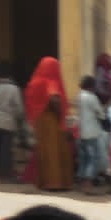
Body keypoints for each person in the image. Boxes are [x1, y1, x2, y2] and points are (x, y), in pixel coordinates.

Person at [23, 57, 73, 192]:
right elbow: (54, 98)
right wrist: (61, 114)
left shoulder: (34, 82)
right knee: (54, 152)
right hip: (52, 120)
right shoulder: (50, 81)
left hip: (40, 121)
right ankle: (55, 183)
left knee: (43, 151)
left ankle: (43, 182)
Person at [0, 62, 25, 182]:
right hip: (9, 123)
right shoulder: (13, 89)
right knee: (6, 149)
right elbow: (19, 108)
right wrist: (19, 119)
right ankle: (6, 173)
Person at [76, 75, 108, 195]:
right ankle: (88, 185)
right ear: (91, 86)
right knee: (92, 158)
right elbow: (100, 113)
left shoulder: (79, 96)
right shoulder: (92, 97)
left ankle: (81, 182)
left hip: (81, 131)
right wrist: (104, 113)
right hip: (92, 131)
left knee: (83, 158)